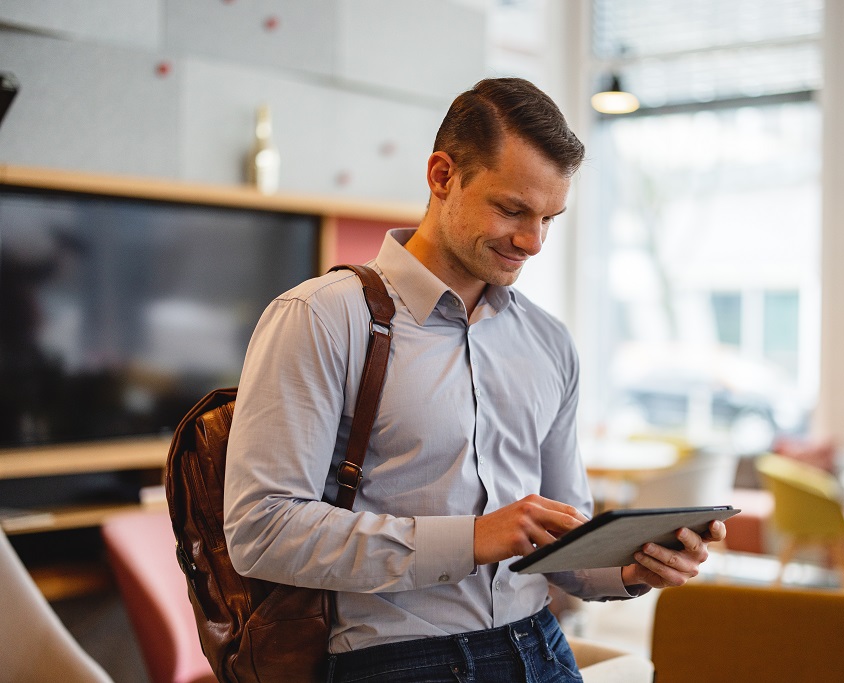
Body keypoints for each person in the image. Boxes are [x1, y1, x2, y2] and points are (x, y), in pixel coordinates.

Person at [223, 77, 726, 683]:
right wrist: (472, 538)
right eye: (511, 209)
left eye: (549, 218)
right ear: (442, 177)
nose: (532, 241)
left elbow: (561, 544)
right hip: (395, 660)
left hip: (540, 644)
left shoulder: (548, 342)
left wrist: (628, 569)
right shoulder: (322, 318)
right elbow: (262, 530)